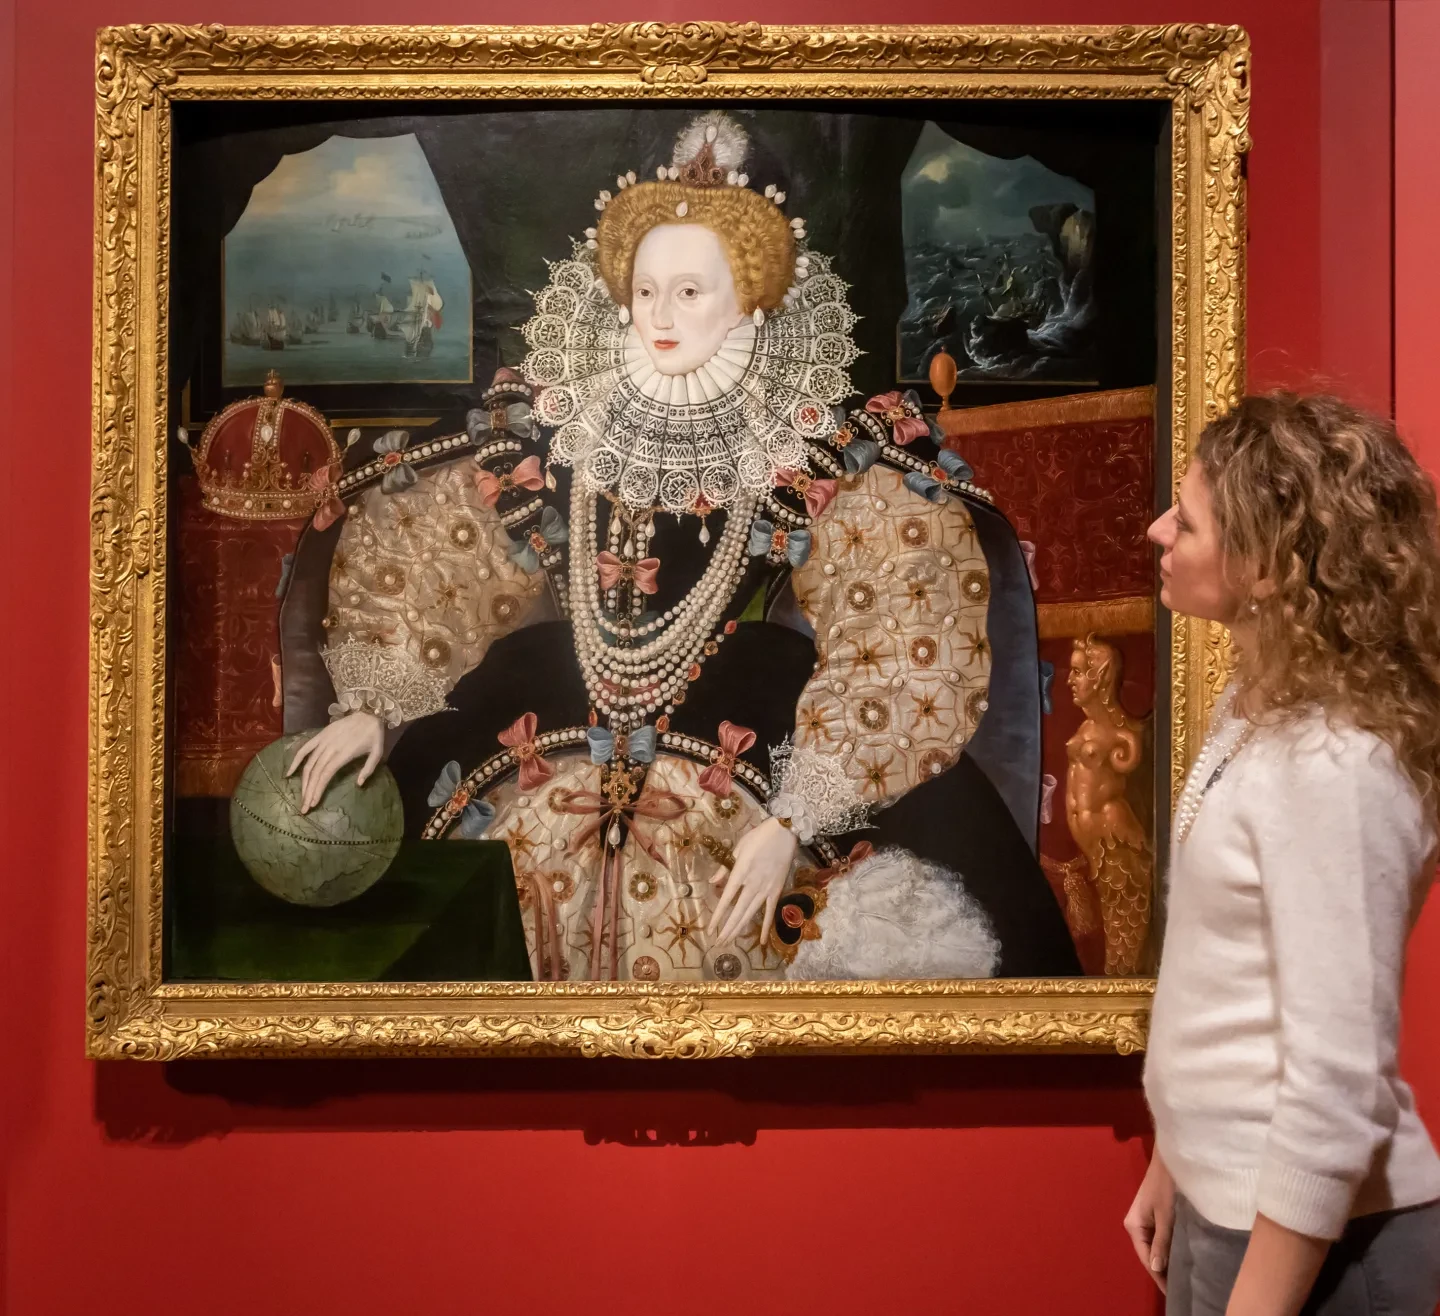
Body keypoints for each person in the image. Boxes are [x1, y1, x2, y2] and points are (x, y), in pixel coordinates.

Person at [277, 110, 1080, 983]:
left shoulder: (817, 442)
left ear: (751, 297)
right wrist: (379, 701)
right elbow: (444, 553)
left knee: (822, 915)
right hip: (550, 693)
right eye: (647, 290)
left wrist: (794, 820)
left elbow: (893, 618)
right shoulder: (550, 423)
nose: (659, 315)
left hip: (754, 706)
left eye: (690, 292)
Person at [1126, 393, 1440, 1314]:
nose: (1157, 531)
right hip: (1233, 1205)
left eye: (1186, 521)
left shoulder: (1336, 764)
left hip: (1319, 1241)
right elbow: (1228, 984)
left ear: (1266, 565)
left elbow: (1338, 1077)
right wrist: (1174, 1162)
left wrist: (1257, 1302)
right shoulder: (1258, 712)